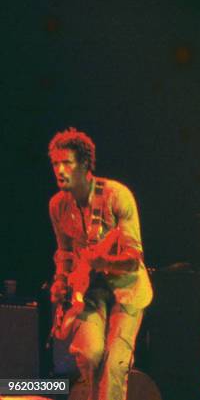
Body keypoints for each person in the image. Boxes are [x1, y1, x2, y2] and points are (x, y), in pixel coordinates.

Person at [48, 127, 153, 400]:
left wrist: (101, 260)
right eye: (55, 163)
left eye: (67, 163)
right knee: (89, 354)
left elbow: (133, 260)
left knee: (114, 365)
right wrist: (60, 281)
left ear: (84, 164)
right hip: (91, 292)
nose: (60, 170)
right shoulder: (57, 205)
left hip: (127, 290)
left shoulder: (116, 195)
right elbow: (65, 252)